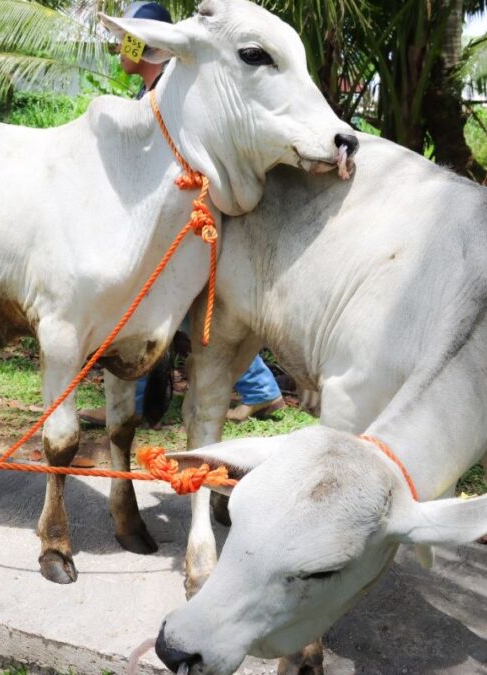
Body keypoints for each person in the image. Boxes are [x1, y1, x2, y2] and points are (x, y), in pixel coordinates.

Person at [79, 2, 284, 429]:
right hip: (185, 225)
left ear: (145, 42)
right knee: (193, 318)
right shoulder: (156, 93)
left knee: (147, 311)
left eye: (128, 40)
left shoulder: (167, 96)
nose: (121, 49)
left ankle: (129, 405)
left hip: (190, 226)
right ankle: (261, 392)